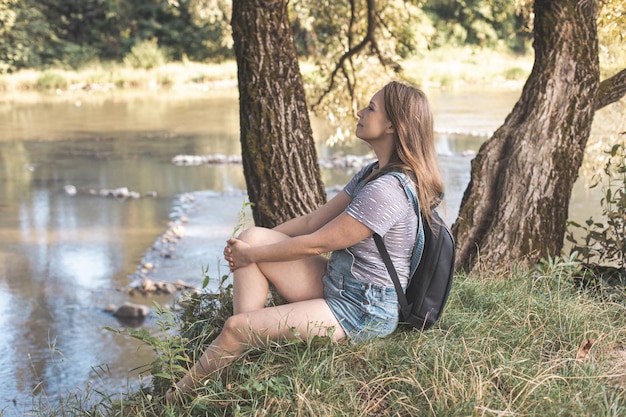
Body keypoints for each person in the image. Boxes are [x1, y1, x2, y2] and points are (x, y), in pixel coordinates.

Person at [166, 81, 444, 402]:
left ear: (394, 125)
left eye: (371, 108)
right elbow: (312, 221)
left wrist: (251, 255)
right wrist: (251, 248)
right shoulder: (374, 173)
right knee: (253, 236)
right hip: (339, 283)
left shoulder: (387, 191)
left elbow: (316, 243)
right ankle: (245, 346)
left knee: (235, 326)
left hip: (362, 309)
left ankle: (171, 403)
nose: (360, 112)